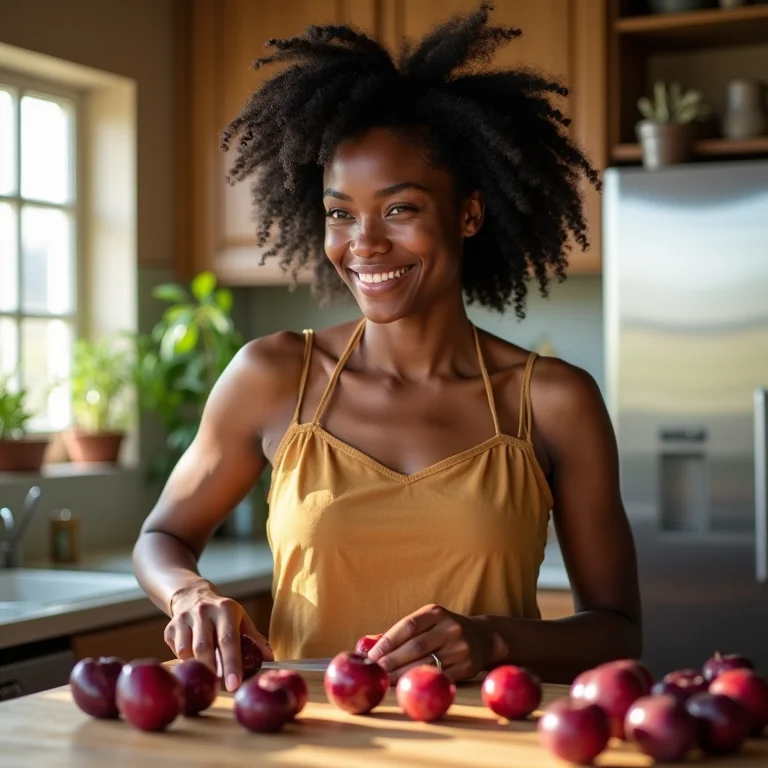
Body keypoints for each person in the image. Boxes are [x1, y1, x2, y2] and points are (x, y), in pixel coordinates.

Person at [133, 2, 641, 693]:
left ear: (467, 213)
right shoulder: (273, 376)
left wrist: (492, 640)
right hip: (304, 739)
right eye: (341, 213)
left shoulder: (552, 401)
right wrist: (190, 594)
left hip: (489, 748)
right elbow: (161, 537)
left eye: (400, 209)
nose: (364, 244)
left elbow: (616, 630)